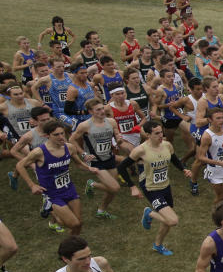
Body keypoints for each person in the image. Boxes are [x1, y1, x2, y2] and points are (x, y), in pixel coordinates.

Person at [116, 120, 192, 256]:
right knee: (172, 220)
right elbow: (121, 167)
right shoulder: (140, 150)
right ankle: (149, 213)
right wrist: (132, 186)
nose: (160, 135)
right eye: (156, 133)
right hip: (150, 188)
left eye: (161, 132)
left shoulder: (167, 145)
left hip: (165, 186)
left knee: (167, 220)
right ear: (147, 135)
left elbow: (174, 159)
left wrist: (183, 169)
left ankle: (158, 245)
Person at [16, 120, 99, 235]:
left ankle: (72, 249)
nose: (61, 137)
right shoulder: (39, 152)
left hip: (69, 188)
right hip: (52, 194)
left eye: (62, 133)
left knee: (79, 223)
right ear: (47, 136)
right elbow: (20, 165)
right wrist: (32, 185)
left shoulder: (69, 148)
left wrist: (90, 169)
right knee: (73, 224)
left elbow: (78, 164)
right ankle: (50, 207)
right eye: (56, 135)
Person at [68, 99, 122, 219]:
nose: (102, 111)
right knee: (115, 187)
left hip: (109, 158)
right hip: (96, 161)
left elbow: (116, 133)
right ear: (91, 111)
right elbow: (71, 140)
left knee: (111, 190)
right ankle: (92, 184)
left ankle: (101, 210)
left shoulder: (111, 121)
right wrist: (83, 154)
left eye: (102, 108)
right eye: (98, 110)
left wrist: (118, 138)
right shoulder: (85, 125)